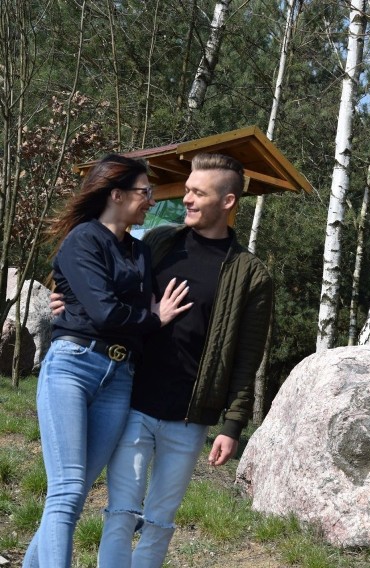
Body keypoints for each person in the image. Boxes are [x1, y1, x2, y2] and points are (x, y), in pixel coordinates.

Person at [92, 152, 274, 567]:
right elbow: (111, 292)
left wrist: (233, 424)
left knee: (159, 521)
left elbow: (248, 357)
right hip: (133, 399)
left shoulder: (251, 274)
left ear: (227, 201)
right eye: (187, 190)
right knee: (120, 512)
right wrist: (69, 299)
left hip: (189, 418)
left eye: (197, 192)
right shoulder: (158, 243)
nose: (186, 199)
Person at [24, 154, 191, 568]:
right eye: (143, 192)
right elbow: (106, 313)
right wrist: (153, 318)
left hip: (119, 378)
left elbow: (113, 308)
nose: (150, 200)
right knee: (66, 489)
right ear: (116, 194)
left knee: (73, 494)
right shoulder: (83, 238)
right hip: (74, 366)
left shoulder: (139, 250)